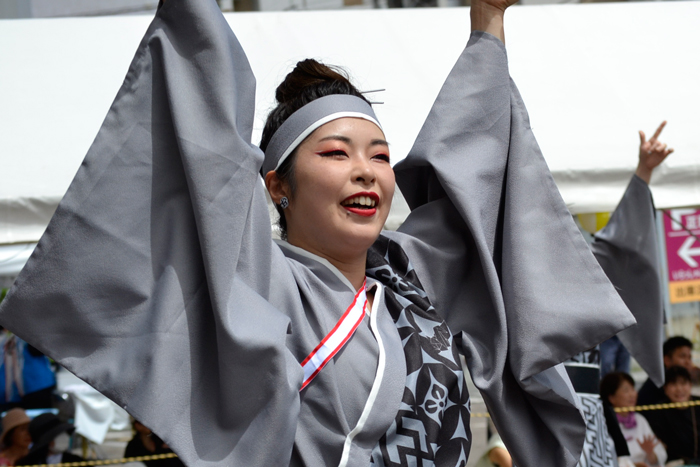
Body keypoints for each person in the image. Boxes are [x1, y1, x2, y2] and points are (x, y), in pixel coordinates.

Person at [0, 0, 641, 466]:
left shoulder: (413, 277)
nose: (365, 171)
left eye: (380, 156)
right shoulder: (254, 281)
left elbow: (473, 174)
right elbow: (205, 152)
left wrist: (488, 26)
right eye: (336, 153)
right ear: (276, 185)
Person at [565, 120, 671, 467]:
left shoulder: (584, 269)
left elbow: (616, 246)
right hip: (542, 409)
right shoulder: (514, 265)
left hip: (588, 408)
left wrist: (643, 171)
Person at [600, 372, 667, 467]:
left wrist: (650, 453)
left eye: (633, 389)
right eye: (626, 390)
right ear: (612, 398)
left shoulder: (639, 419)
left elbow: (661, 454)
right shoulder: (605, 423)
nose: (632, 394)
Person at [646, 366, 700, 464]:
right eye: (673, 384)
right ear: (665, 388)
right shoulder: (658, 411)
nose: (679, 389)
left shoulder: (698, 404)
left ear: (690, 385)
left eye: (683, 383)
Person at [638, 336, 696, 406]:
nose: (688, 362)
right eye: (682, 356)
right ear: (667, 360)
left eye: (689, 357)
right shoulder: (660, 382)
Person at [15, 413, 83, 466]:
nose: (65, 437)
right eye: (59, 434)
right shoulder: (26, 464)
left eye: (64, 432)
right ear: (47, 441)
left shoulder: (78, 462)